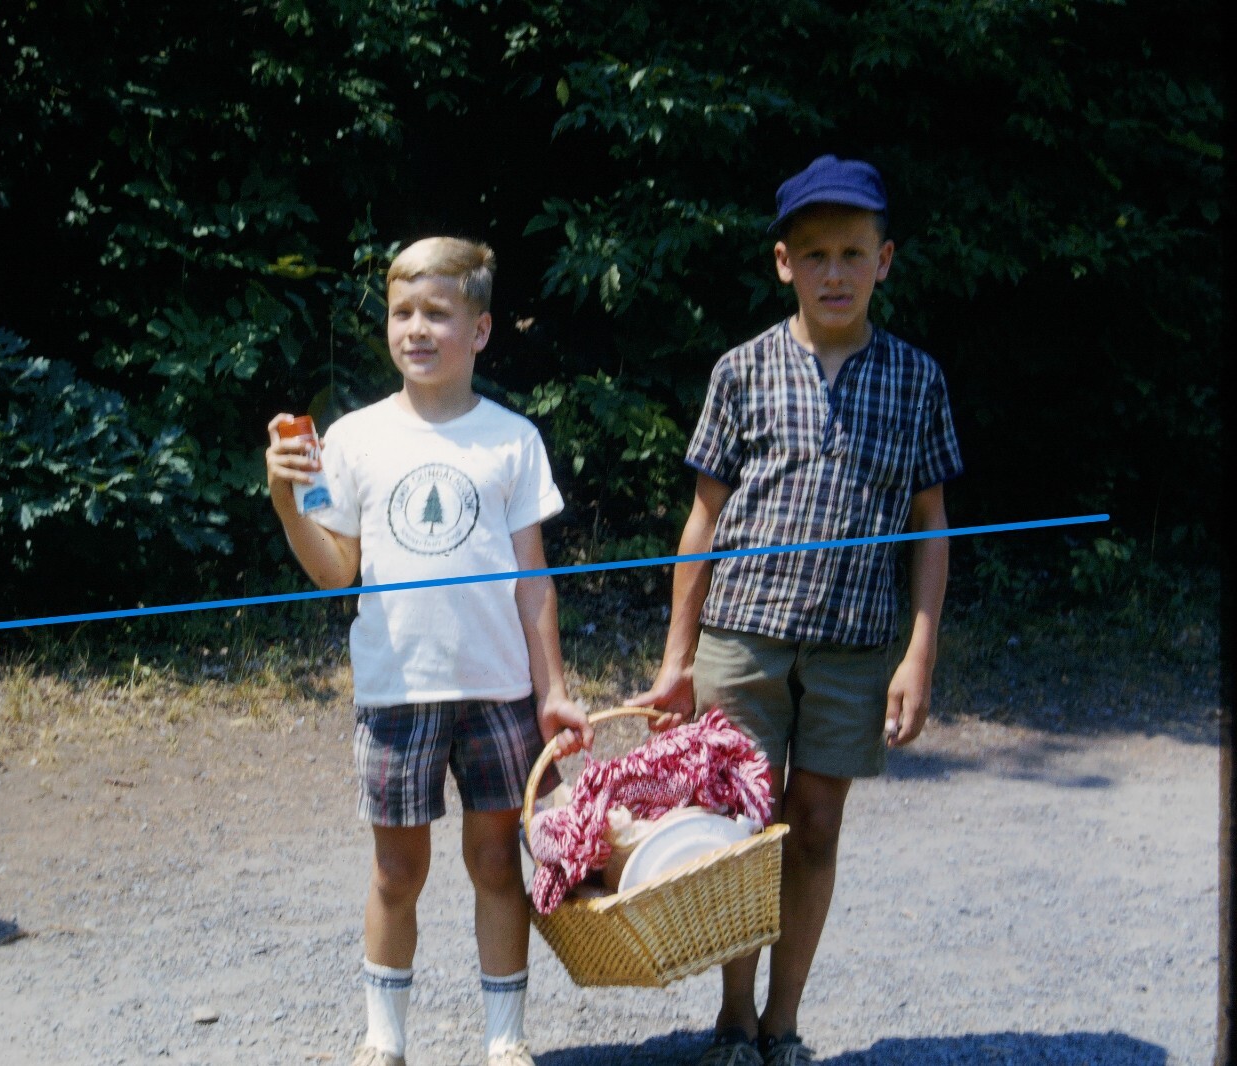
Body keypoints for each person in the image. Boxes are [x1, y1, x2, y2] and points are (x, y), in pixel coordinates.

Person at [633, 156, 962, 1066]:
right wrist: (677, 659)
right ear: (784, 263)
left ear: (884, 259)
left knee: (814, 825)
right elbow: (703, 520)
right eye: (814, 254)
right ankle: (733, 1021)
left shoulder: (917, 379)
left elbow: (931, 525)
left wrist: (918, 653)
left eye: (853, 253)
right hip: (742, 637)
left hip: (856, 649)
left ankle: (783, 1027)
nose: (835, 273)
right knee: (739, 830)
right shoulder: (740, 371)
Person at [264, 236, 592, 1066]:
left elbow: (534, 582)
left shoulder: (512, 440)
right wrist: (284, 498)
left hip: (499, 690)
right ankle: (385, 1041)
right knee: (395, 872)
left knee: (495, 863)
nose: (417, 329)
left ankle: (505, 1042)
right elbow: (337, 571)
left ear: (479, 331)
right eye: (402, 312)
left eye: (438, 314)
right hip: (395, 691)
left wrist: (552, 688)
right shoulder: (351, 439)